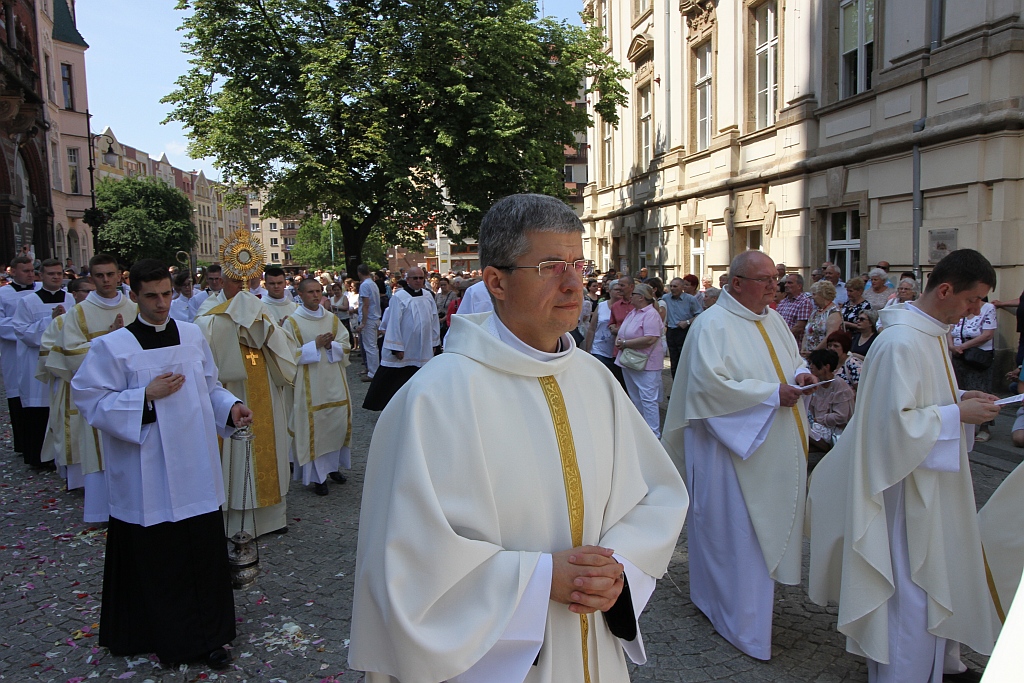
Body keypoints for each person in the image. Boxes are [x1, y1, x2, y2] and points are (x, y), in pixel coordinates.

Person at [349, 194, 689, 683]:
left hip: (593, 640)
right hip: (497, 662)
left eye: (578, 265)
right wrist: (540, 579)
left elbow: (656, 494)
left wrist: (617, 566)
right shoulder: (432, 398)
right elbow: (406, 561)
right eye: (551, 267)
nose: (573, 284)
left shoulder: (595, 379)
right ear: (496, 282)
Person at [806, 248, 1002, 683]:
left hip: (928, 482)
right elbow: (890, 427)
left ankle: (933, 668)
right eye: (973, 299)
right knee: (910, 587)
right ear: (946, 290)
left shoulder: (927, 334)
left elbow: (917, 401)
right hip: (902, 490)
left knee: (929, 580)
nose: (976, 310)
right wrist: (956, 415)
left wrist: (960, 400)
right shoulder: (900, 342)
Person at [71, 259, 251, 671]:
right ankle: (151, 631)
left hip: (196, 466)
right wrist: (144, 396)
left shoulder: (191, 335)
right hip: (146, 471)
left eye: (167, 294)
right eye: (151, 296)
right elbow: (91, 401)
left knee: (201, 555)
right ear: (133, 295)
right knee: (159, 559)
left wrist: (231, 406)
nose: (161, 303)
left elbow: (209, 386)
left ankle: (210, 635)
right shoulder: (113, 347)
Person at [661, 250, 816, 660]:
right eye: (765, 280)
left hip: (769, 447)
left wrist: (800, 371)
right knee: (735, 536)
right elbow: (707, 389)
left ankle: (732, 609)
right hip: (728, 453)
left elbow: (790, 358)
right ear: (737, 283)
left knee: (749, 537)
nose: (773, 287)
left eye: (775, 279)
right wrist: (770, 394)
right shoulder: (711, 325)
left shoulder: (773, 319)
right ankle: (740, 622)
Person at [195, 230, 297, 537]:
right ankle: (234, 518)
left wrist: (262, 326)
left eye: (244, 279)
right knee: (235, 453)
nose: (238, 285)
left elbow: (281, 343)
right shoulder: (208, 312)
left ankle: (271, 517)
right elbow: (202, 341)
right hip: (230, 391)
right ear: (221, 280)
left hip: (263, 384)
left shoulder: (259, 306)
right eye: (232, 279)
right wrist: (231, 321)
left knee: (269, 446)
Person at [46, 254, 139, 523]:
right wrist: (110, 338)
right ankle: (103, 510)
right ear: (91, 277)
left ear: (119, 275)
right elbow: (71, 353)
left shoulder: (134, 307)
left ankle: (133, 504)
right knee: (99, 449)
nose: (106, 280)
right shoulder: (80, 313)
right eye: (99, 275)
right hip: (98, 391)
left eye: (110, 274)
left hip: (130, 389)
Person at [283, 278, 352, 496]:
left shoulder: (331, 319)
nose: (315, 295)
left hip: (334, 381)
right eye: (310, 292)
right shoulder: (292, 322)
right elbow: (287, 355)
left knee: (335, 423)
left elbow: (346, 345)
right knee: (315, 428)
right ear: (300, 295)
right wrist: (315, 345)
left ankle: (333, 468)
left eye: (318, 291)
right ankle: (317, 477)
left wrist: (332, 345)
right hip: (309, 385)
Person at [11, 259, 75, 468]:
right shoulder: (28, 301)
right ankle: (39, 459)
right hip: (35, 362)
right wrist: (51, 320)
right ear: (41, 275)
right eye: (50, 274)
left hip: (62, 361)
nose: (56, 277)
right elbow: (22, 331)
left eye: (59, 273)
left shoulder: (71, 299)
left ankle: (62, 457)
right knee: (39, 409)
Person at [36, 278, 94, 480]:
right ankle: (76, 479)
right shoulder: (61, 322)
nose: (90, 296)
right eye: (86, 291)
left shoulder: (112, 317)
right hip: (70, 385)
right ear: (74, 294)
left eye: (93, 291)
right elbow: (47, 357)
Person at [363, 267, 439, 410]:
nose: (418, 281)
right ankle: (392, 408)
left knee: (420, 376)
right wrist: (396, 347)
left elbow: (434, 319)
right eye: (415, 278)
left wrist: (434, 342)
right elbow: (393, 323)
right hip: (405, 344)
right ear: (407, 280)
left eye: (421, 278)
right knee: (396, 377)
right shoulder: (399, 297)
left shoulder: (428, 296)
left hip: (423, 346)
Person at [0, 254, 41, 455]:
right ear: (13, 272)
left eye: (32, 271)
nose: (30, 274)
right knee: (19, 396)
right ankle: (25, 446)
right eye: (25, 271)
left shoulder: (42, 291)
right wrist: (26, 328)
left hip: (39, 351)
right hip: (14, 354)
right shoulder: (3, 294)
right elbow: (2, 324)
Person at [614, 283, 665, 437]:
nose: (630, 296)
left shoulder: (650, 314)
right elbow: (623, 330)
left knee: (648, 399)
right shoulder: (634, 312)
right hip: (629, 361)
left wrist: (625, 343)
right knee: (636, 397)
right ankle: (641, 432)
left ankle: (653, 434)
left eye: (634, 294)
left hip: (646, 363)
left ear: (641, 297)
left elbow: (650, 338)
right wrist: (620, 340)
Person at [949, 296, 998, 442]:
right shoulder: (958, 306)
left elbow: (987, 334)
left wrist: (963, 346)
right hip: (958, 355)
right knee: (960, 388)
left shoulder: (988, 308)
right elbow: (949, 329)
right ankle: (963, 424)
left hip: (978, 356)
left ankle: (984, 426)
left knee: (980, 389)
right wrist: (951, 346)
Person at [805, 349, 855, 454]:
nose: (811, 367)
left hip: (835, 430)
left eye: (814, 363)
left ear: (826, 367)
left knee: (806, 429)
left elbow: (841, 416)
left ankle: (827, 449)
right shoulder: (816, 384)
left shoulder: (839, 385)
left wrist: (817, 420)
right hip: (818, 426)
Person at [662, 277, 702, 379]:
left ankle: (686, 382)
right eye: (671, 286)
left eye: (675, 286)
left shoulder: (690, 299)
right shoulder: (666, 298)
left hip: (684, 331)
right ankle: (675, 383)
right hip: (671, 331)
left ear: (682, 287)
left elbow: (700, 314)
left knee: (684, 359)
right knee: (674, 360)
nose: (672, 288)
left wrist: (687, 322)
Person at [583, 280, 623, 375]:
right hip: (599, 349)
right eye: (616, 289)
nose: (619, 292)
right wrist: (588, 350)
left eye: (621, 290)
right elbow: (592, 328)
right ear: (609, 290)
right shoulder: (601, 306)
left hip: (618, 351)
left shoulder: (627, 308)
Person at [354, 264, 382, 382]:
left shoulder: (365, 285)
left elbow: (366, 304)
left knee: (370, 347)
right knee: (373, 346)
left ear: (359, 273)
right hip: (375, 317)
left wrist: (363, 322)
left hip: (369, 319)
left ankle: (373, 373)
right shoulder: (373, 284)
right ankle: (374, 370)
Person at [802, 280, 843, 355]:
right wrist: (803, 349)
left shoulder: (834, 312)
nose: (811, 297)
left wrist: (814, 353)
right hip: (808, 355)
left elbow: (830, 337)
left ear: (823, 295)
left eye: (814, 294)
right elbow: (806, 333)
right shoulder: (815, 311)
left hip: (822, 355)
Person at [776, 272, 813, 346]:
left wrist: (783, 338)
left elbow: (799, 327)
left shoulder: (804, 302)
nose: (786, 285)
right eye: (786, 283)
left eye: (790, 283)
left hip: (793, 344)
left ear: (799, 286)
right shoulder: (783, 302)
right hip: (779, 342)